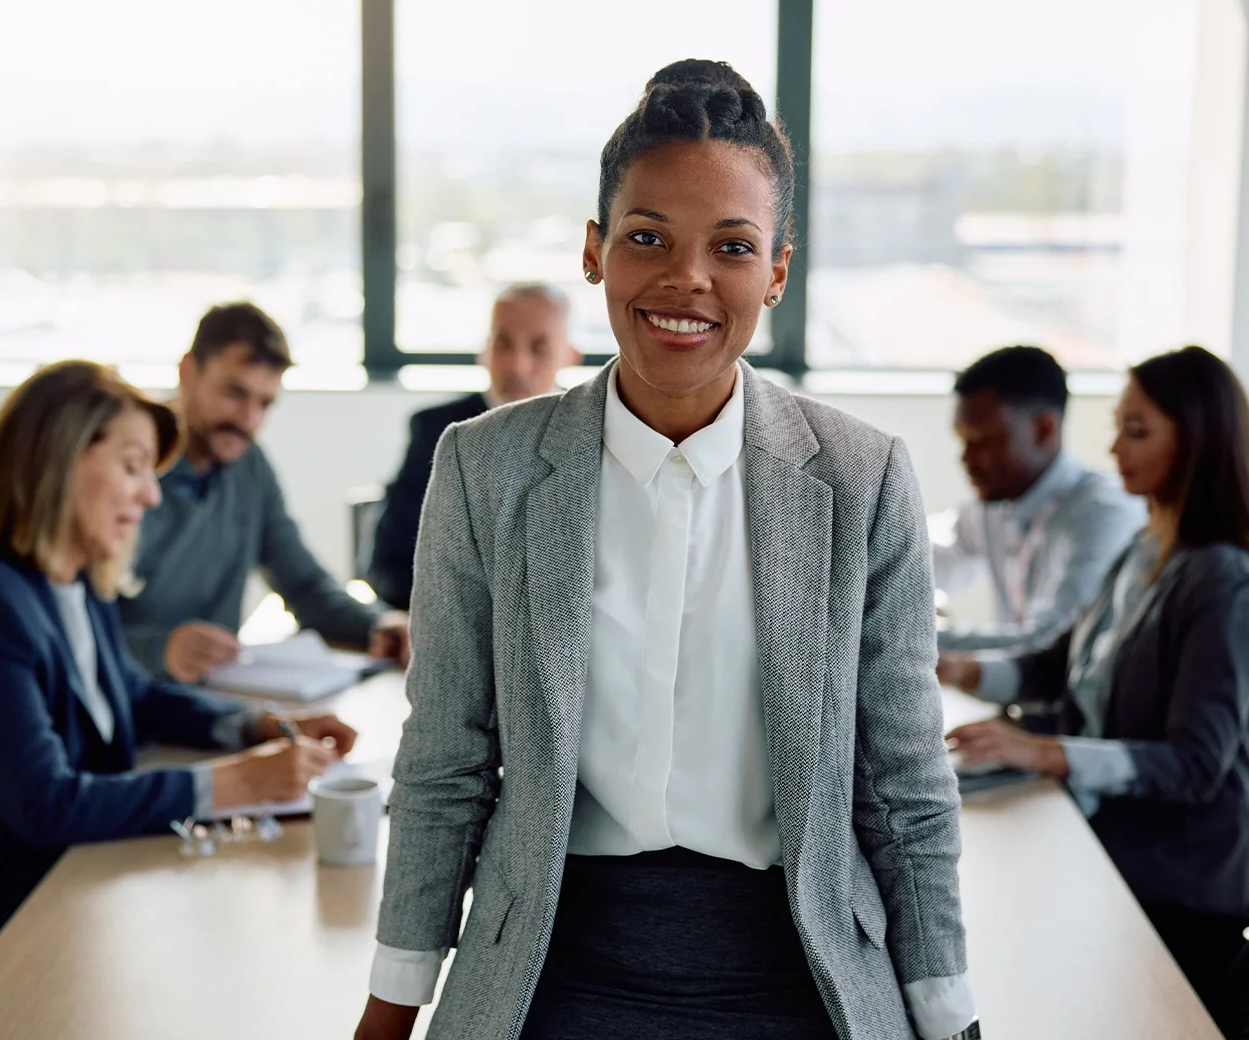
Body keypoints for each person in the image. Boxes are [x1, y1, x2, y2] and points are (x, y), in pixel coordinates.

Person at [355, 60, 977, 1040]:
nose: (686, 278)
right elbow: (446, 754)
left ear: (776, 269)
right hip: (552, 953)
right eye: (647, 238)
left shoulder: (863, 480)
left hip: (796, 955)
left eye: (731, 246)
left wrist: (948, 1014)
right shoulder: (486, 468)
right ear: (597, 250)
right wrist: (391, 1007)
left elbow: (902, 780)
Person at [0, 361, 358, 987]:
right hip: (7, 939)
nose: (151, 494)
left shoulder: (71, 585)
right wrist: (235, 785)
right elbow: (46, 803)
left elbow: (132, 698)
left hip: (81, 891)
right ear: (59, 460)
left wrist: (253, 727)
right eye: (134, 466)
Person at [945, 346, 1249, 1035]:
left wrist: (1047, 752)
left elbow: (1196, 764)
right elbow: (1061, 664)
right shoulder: (1147, 547)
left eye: (1136, 430)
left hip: (1179, 890)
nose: (1112, 446)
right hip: (1115, 851)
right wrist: (961, 670)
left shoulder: (1221, 578)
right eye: (1117, 425)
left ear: (1197, 438)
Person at [116, 302, 408, 683]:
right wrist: (158, 651)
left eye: (265, 403)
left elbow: (305, 585)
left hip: (211, 705)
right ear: (188, 371)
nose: (249, 421)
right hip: (125, 708)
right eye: (234, 393)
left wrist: (379, 622)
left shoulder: (249, 467)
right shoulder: (124, 468)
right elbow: (65, 629)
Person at [368, 283, 580, 609]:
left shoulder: (589, 431)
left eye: (538, 348)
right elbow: (390, 565)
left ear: (571, 357)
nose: (517, 365)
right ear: (484, 350)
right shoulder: (434, 431)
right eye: (503, 344)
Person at [933, 346, 1145, 665]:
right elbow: (925, 563)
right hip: (1016, 706)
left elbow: (1049, 642)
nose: (965, 460)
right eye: (963, 442)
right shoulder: (994, 505)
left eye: (982, 443)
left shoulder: (1101, 515)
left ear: (1043, 429)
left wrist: (917, 639)